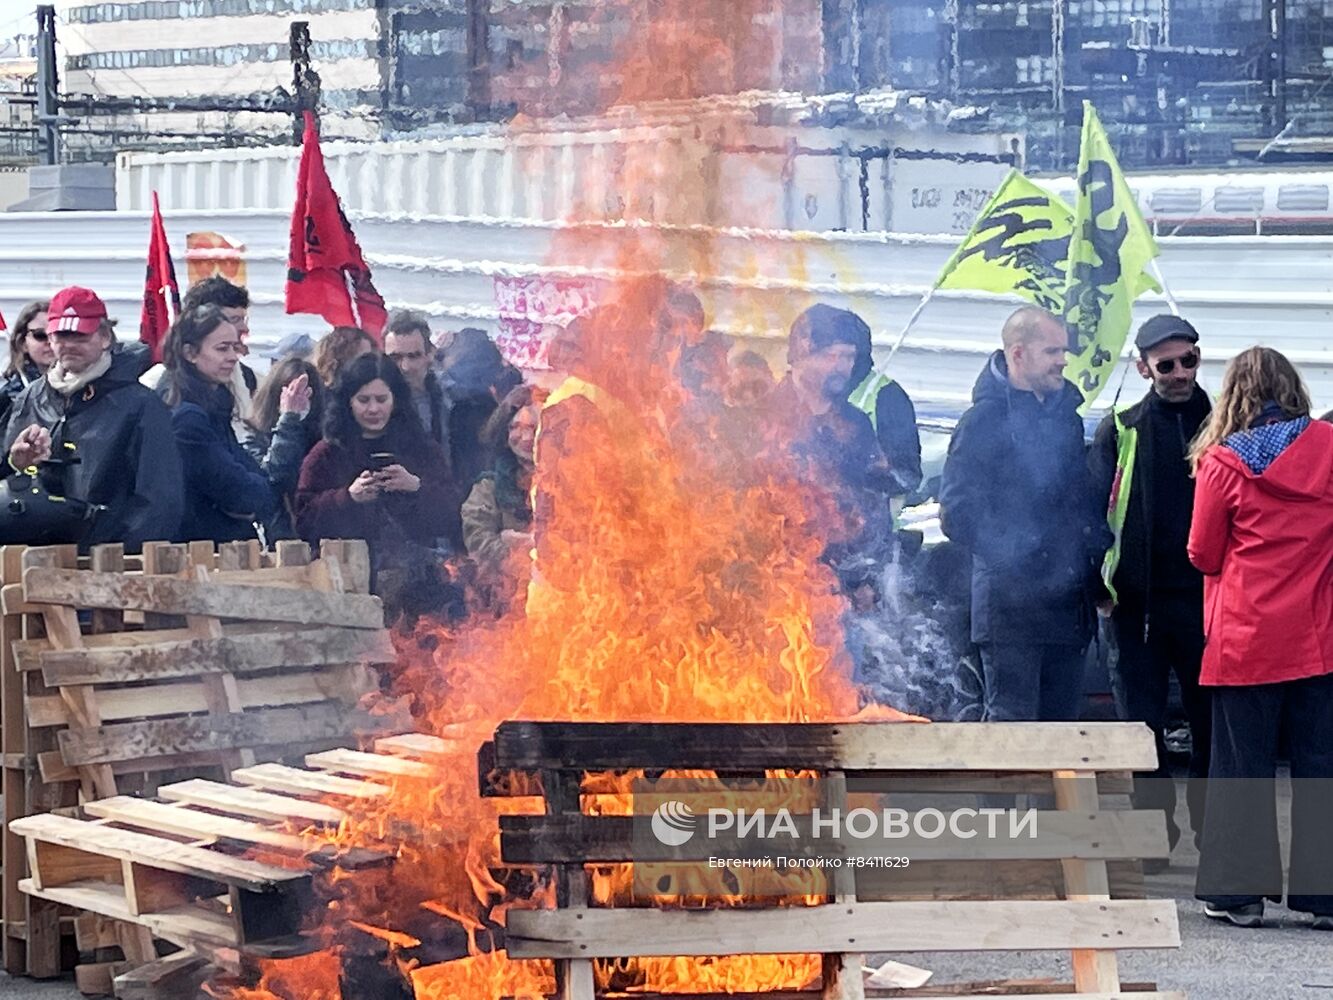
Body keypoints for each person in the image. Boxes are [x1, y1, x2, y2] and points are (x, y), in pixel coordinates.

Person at [1187, 347, 1333, 930]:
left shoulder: (1223, 462)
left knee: (1241, 766)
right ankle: (1325, 897)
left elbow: (1202, 551)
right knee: (1322, 764)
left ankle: (1238, 893)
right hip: (1319, 634)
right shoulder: (1328, 448)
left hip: (1245, 635)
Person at [939, 306, 1106, 722]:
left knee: (1061, 737)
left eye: (1063, 351)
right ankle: (999, 792)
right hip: (1010, 610)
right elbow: (956, 512)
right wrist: (1016, 551)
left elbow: (1078, 502)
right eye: (1052, 351)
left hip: (1068, 606)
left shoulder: (1068, 419)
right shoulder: (981, 421)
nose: (1063, 361)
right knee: (1010, 735)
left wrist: (1094, 561)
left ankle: (1051, 794)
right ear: (1018, 353)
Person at [1090, 314, 1213, 855]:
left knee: (1212, 723)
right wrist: (1098, 585)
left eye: (1189, 360)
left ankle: (1215, 834)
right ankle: (1152, 837)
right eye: (1167, 364)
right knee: (1142, 730)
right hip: (1136, 607)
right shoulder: (1120, 428)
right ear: (1143, 368)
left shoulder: (1221, 423)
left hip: (1207, 602)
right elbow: (1093, 513)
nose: (1180, 372)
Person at [4, 286, 182, 551]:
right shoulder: (29, 399)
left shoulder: (140, 405)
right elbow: (10, 481)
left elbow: (160, 500)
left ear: (105, 337)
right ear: (50, 338)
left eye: (81, 335)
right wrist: (18, 462)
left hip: (111, 562)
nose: (69, 344)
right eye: (61, 335)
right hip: (36, 559)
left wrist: (116, 557)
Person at [295, 354, 453, 575]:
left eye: (381, 399)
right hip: (345, 575)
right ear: (348, 401)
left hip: (415, 578)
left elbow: (451, 512)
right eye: (363, 400)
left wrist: (415, 486)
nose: (373, 409)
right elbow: (304, 521)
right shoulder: (327, 453)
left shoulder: (421, 448)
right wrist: (347, 497)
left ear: (395, 399)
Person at [766, 305, 894, 575]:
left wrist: (869, 576)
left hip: (841, 579)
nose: (841, 367)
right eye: (829, 356)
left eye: (848, 356)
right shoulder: (763, 417)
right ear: (800, 355)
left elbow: (874, 506)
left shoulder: (856, 424)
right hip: (777, 578)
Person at [161, 305, 280, 544]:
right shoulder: (187, 419)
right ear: (190, 353)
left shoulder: (214, 407)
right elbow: (243, 494)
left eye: (235, 347)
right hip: (201, 552)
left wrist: (260, 490)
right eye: (222, 348)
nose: (233, 356)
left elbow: (257, 484)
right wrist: (258, 493)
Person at [461, 384, 546, 609]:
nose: (525, 437)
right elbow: (478, 540)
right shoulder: (489, 486)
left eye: (534, 427)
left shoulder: (576, 484)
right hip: (506, 606)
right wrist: (517, 556)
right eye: (515, 427)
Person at [245, 356, 322, 540]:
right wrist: (289, 420)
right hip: (275, 542)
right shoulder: (254, 438)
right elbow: (273, 477)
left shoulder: (324, 440)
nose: (299, 401)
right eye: (293, 394)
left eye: (306, 394)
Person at [438, 328, 522, 495]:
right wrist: (506, 406)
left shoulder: (452, 382)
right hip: (472, 474)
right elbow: (484, 436)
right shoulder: (465, 396)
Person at [384, 310, 451, 453]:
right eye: (395, 358)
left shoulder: (451, 397)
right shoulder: (375, 404)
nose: (405, 367)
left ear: (431, 354)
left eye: (414, 356)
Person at [2, 300, 53, 426]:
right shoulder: (9, 397)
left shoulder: (86, 389)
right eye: (40, 335)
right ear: (23, 343)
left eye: (56, 334)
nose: (51, 342)